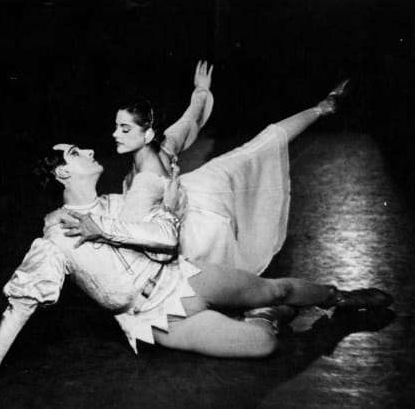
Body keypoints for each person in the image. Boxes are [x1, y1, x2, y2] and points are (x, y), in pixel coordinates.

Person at [0, 144, 392, 392]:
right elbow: (21, 304)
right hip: (152, 319)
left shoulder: (122, 202)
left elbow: (166, 239)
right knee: (262, 346)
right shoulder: (53, 241)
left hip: (183, 278)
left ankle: (339, 297)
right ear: (62, 174)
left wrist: (107, 228)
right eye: (76, 152)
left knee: (276, 290)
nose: (90, 149)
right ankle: (259, 318)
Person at [105, 60, 349, 275]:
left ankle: (322, 108)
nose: (116, 135)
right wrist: (201, 89)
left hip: (193, 236)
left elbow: (144, 235)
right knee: (255, 149)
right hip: (197, 198)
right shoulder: (166, 145)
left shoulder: (152, 171)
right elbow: (190, 117)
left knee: (258, 149)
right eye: (117, 127)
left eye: (125, 130)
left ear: (147, 134)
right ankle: (323, 108)